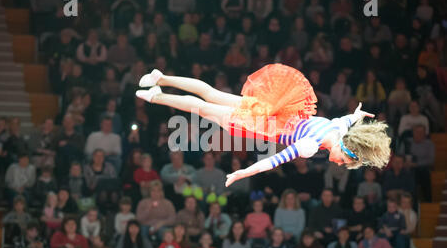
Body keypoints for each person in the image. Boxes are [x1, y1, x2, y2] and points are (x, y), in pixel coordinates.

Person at [136, 65, 391, 189]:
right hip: (256, 123)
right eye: (344, 161)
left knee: (211, 93)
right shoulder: (310, 147)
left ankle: (161, 78)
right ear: (346, 150)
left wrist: (358, 115)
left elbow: (349, 119)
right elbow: (272, 162)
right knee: (202, 109)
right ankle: (157, 95)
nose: (339, 164)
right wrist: (241, 174)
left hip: (268, 109)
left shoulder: (336, 128)